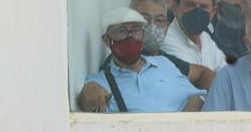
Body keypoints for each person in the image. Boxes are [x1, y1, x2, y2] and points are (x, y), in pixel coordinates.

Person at [77, 7, 206, 113]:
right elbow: (87, 99)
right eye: (121, 31)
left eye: (135, 30)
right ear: (106, 40)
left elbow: (199, 97)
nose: (130, 36)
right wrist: (87, 94)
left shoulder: (163, 63)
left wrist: (184, 121)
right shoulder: (99, 81)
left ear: (143, 35)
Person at [96, 0, 216, 90]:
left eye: (159, 20)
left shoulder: (162, 59)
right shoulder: (121, 60)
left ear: (167, 27)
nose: (152, 26)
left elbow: (201, 73)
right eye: (144, 19)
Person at [162, 0, 227, 71]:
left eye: (204, 6)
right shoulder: (167, 40)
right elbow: (196, 82)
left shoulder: (206, 39)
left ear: (213, 12)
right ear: (175, 8)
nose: (197, 12)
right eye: (190, 5)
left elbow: (226, 75)